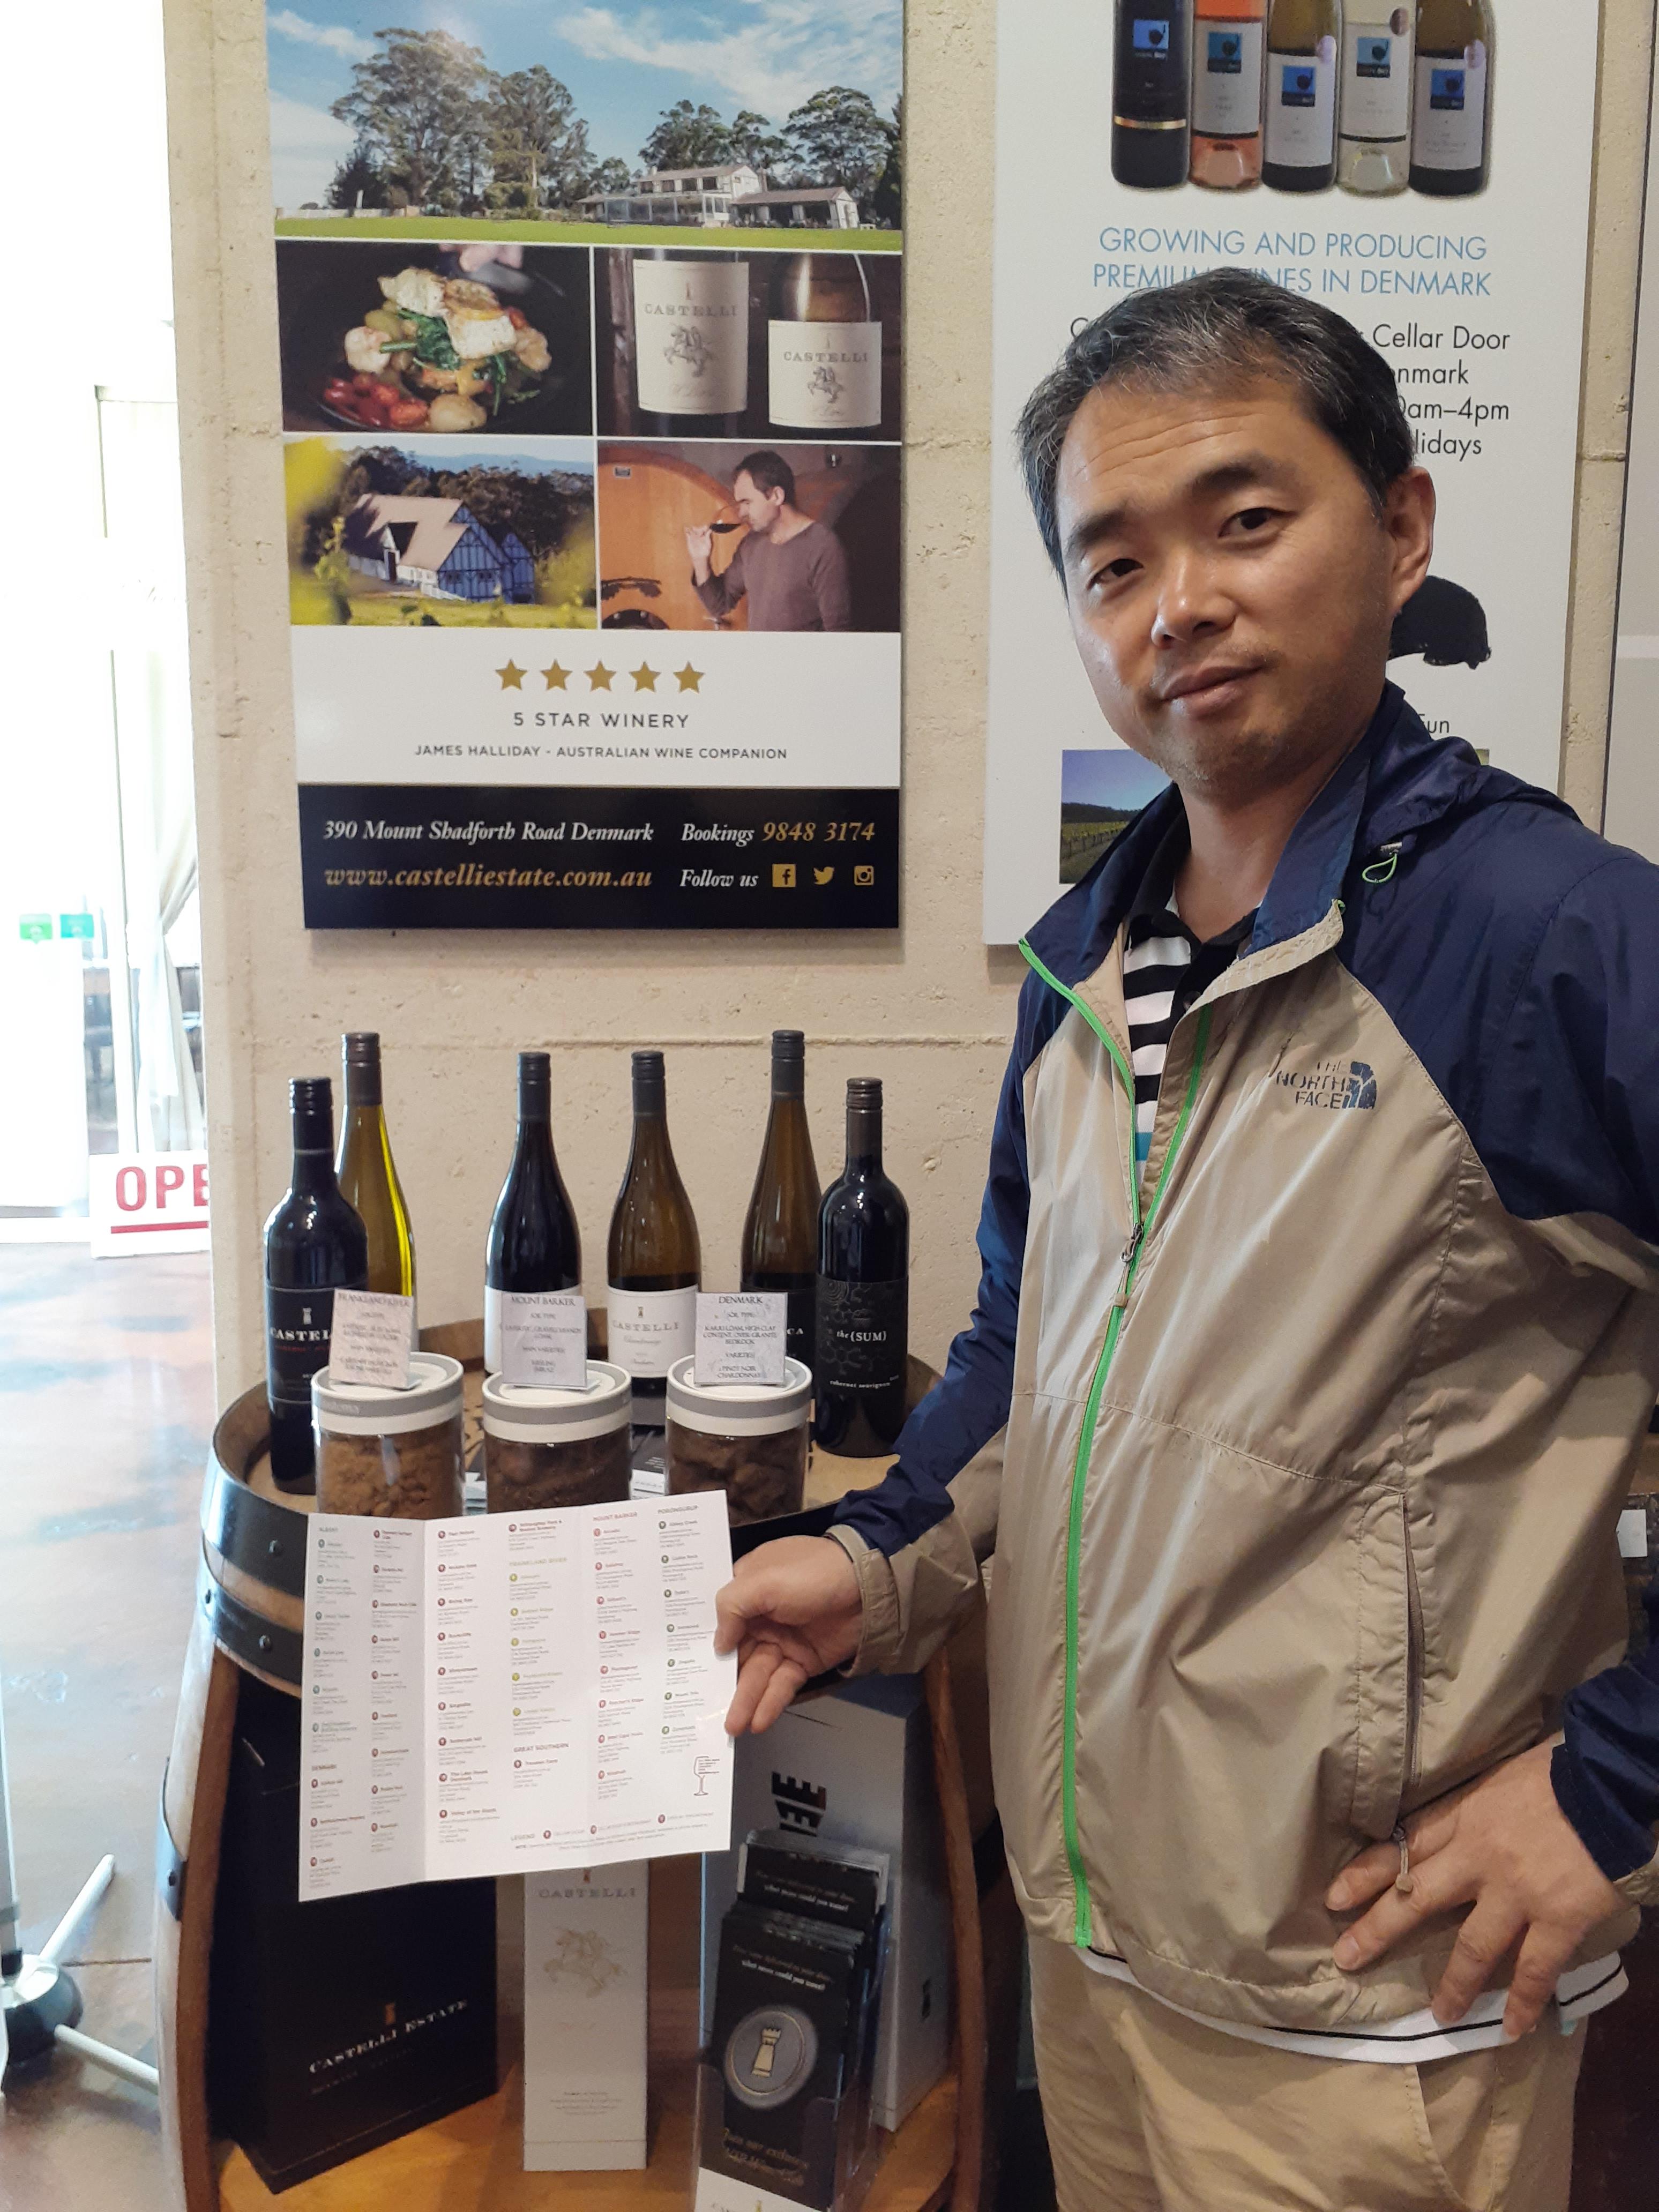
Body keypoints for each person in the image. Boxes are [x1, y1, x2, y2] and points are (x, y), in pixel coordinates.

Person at [714, 269, 1659, 2210]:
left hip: (1370, 2012)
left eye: (1245, 519)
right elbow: (1025, 1360)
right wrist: (874, 1562)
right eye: (1114, 564)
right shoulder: (1086, 960)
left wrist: (1613, 1783)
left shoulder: (1545, 935)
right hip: (1099, 1957)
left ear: (1399, 528)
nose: (1180, 604)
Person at [686, 451, 851, 631]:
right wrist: (700, 560)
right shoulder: (751, 543)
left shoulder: (823, 546)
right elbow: (719, 605)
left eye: (747, 502)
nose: (741, 513)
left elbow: (838, 634)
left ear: (777, 496)